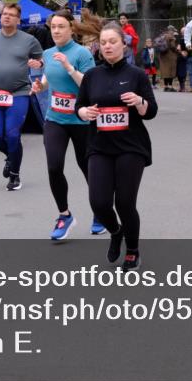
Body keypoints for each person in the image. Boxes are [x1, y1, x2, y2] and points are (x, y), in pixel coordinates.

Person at [75, 22, 157, 271]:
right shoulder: (92, 76)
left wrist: (139, 101)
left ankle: (132, 250)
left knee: (124, 202)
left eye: (113, 41)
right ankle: (115, 231)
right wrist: (84, 111)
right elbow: (79, 107)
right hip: (99, 145)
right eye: (104, 42)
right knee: (99, 202)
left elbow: (151, 111)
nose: (108, 46)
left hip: (131, 146)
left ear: (124, 44)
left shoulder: (136, 75)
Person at [31, 11, 101, 238]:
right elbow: (48, 77)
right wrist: (40, 86)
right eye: (53, 27)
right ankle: (64, 215)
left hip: (81, 120)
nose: (57, 31)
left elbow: (90, 86)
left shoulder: (81, 53)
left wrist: (70, 68)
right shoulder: (49, 53)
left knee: (87, 168)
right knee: (54, 167)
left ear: (71, 29)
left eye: (61, 27)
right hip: (55, 119)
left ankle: (100, 212)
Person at [0, 1, 44, 191]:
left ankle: (14, 175)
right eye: (4, 13)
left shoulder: (28, 39)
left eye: (11, 15)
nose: (6, 16)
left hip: (19, 93)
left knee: (13, 135)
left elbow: (42, 58)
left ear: (18, 19)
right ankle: (11, 157)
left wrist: (38, 64)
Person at [156, 26, 179, 92]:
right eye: (173, 31)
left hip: (162, 56)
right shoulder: (171, 37)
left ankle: (165, 86)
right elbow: (173, 47)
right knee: (170, 71)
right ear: (171, 30)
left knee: (165, 72)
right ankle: (170, 86)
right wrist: (177, 49)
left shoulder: (162, 36)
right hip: (170, 56)